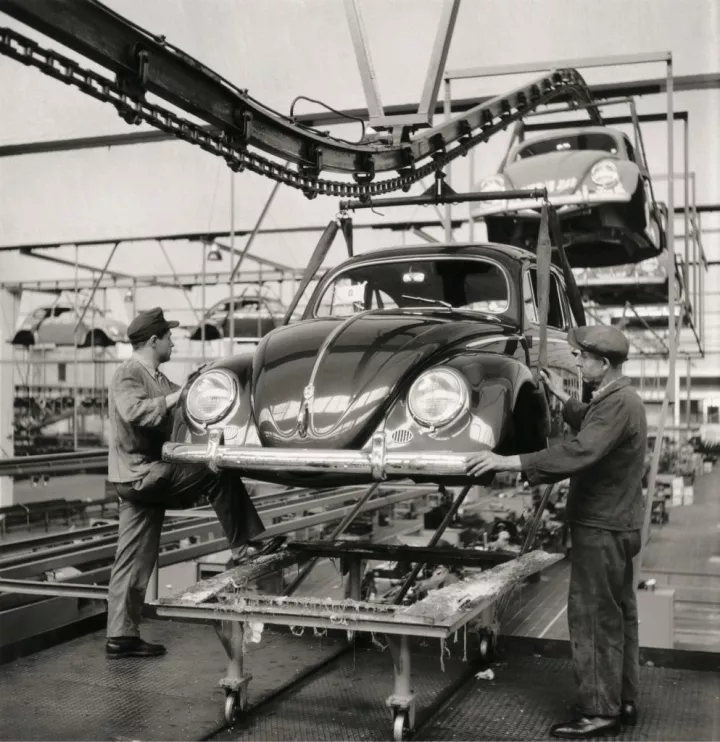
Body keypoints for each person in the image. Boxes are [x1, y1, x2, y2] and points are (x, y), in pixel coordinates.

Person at [466, 325, 647, 739]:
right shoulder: (621, 401)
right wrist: (564, 399)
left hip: (601, 527)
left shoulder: (617, 405)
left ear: (604, 363)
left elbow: (582, 450)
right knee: (619, 613)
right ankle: (623, 698)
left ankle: (600, 711)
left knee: (593, 617)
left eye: (583, 358)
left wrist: (509, 461)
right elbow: (592, 422)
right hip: (619, 525)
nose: (578, 364)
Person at [105, 307, 283, 659]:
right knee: (218, 467)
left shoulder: (156, 376)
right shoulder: (129, 373)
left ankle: (120, 635)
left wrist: (197, 386)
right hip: (143, 475)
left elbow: (188, 404)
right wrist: (178, 396)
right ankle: (244, 544)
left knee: (133, 559)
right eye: (169, 336)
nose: (173, 341)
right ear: (154, 340)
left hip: (142, 478)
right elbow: (135, 411)